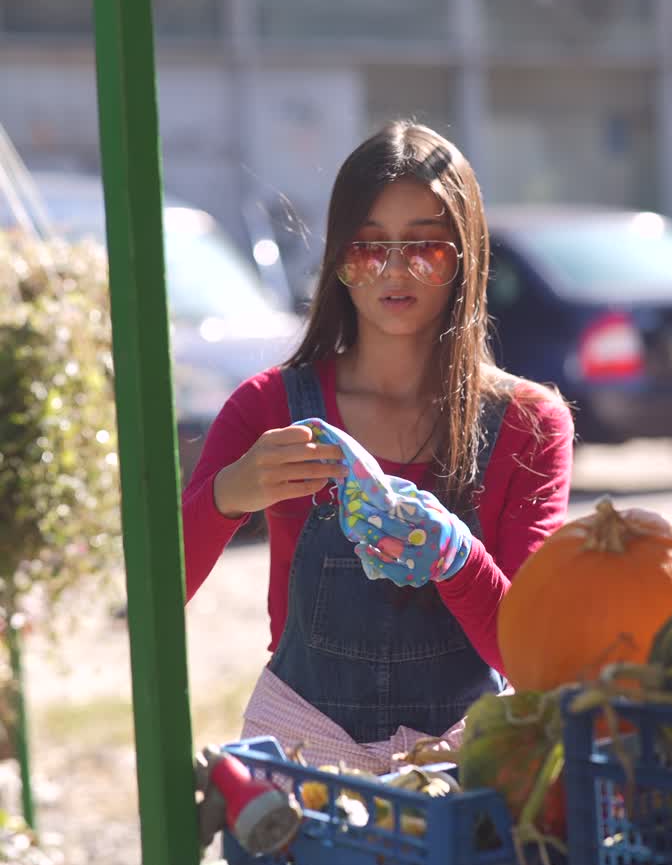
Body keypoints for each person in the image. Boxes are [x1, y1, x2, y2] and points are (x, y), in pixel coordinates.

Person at [182, 121, 574, 771]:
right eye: (369, 248)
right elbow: (155, 598)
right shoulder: (269, 407)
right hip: (301, 759)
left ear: (466, 257)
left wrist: (457, 558)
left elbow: (532, 657)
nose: (395, 271)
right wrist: (227, 494)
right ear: (337, 259)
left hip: (468, 763)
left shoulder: (531, 424)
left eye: (426, 247)